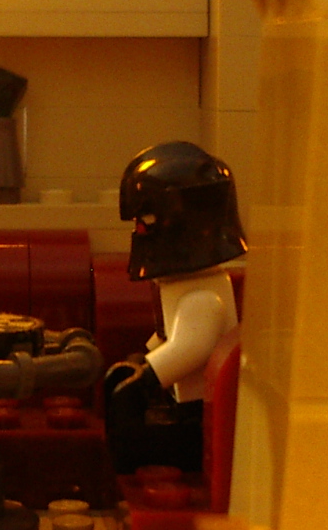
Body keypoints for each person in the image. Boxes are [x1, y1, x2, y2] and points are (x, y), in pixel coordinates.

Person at [103, 141, 246, 473]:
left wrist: (148, 375)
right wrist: (143, 358)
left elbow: (190, 347)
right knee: (119, 390)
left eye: (147, 220)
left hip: (197, 416)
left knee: (127, 406)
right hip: (181, 401)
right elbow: (172, 335)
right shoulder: (185, 286)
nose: (140, 230)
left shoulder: (203, 297)